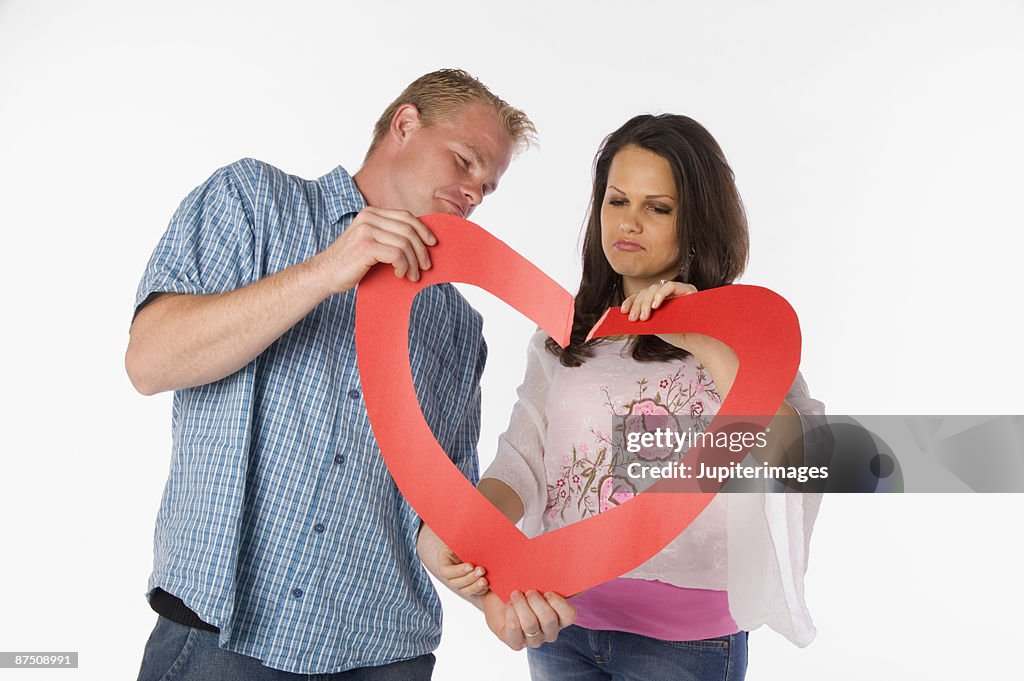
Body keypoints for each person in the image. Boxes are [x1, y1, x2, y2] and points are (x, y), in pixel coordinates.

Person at [126, 68, 572, 680]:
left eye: (488, 186)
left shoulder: (458, 322)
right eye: (465, 161)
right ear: (405, 124)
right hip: (222, 639)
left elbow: (436, 512)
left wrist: (495, 597)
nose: (474, 192)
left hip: (382, 653)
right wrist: (328, 269)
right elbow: (150, 361)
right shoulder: (253, 201)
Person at [424, 114, 826, 680]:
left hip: (686, 646)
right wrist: (470, 533)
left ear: (696, 221)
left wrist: (701, 341)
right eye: (617, 201)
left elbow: (799, 458)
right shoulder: (562, 336)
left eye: (657, 207)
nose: (629, 222)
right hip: (561, 626)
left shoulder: (741, 333)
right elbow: (522, 463)